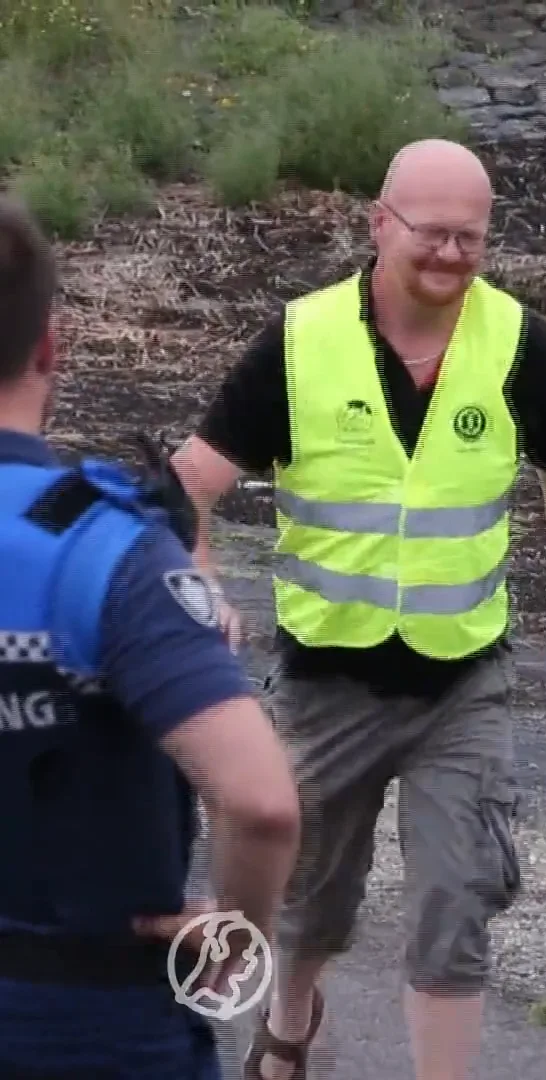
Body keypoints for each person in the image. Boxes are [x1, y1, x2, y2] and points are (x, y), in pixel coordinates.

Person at [168, 137, 546, 1080]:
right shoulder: (299, 342)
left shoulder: (518, 343)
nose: (451, 256)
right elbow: (185, 487)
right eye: (432, 234)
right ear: (379, 224)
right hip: (328, 681)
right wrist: (200, 587)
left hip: (466, 680)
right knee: (309, 904)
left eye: (471, 239)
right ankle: (289, 1028)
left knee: (457, 902)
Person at [0, 196, 301, 1077]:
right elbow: (260, 803)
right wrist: (235, 944)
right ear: (51, 346)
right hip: (83, 1020)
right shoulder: (107, 550)